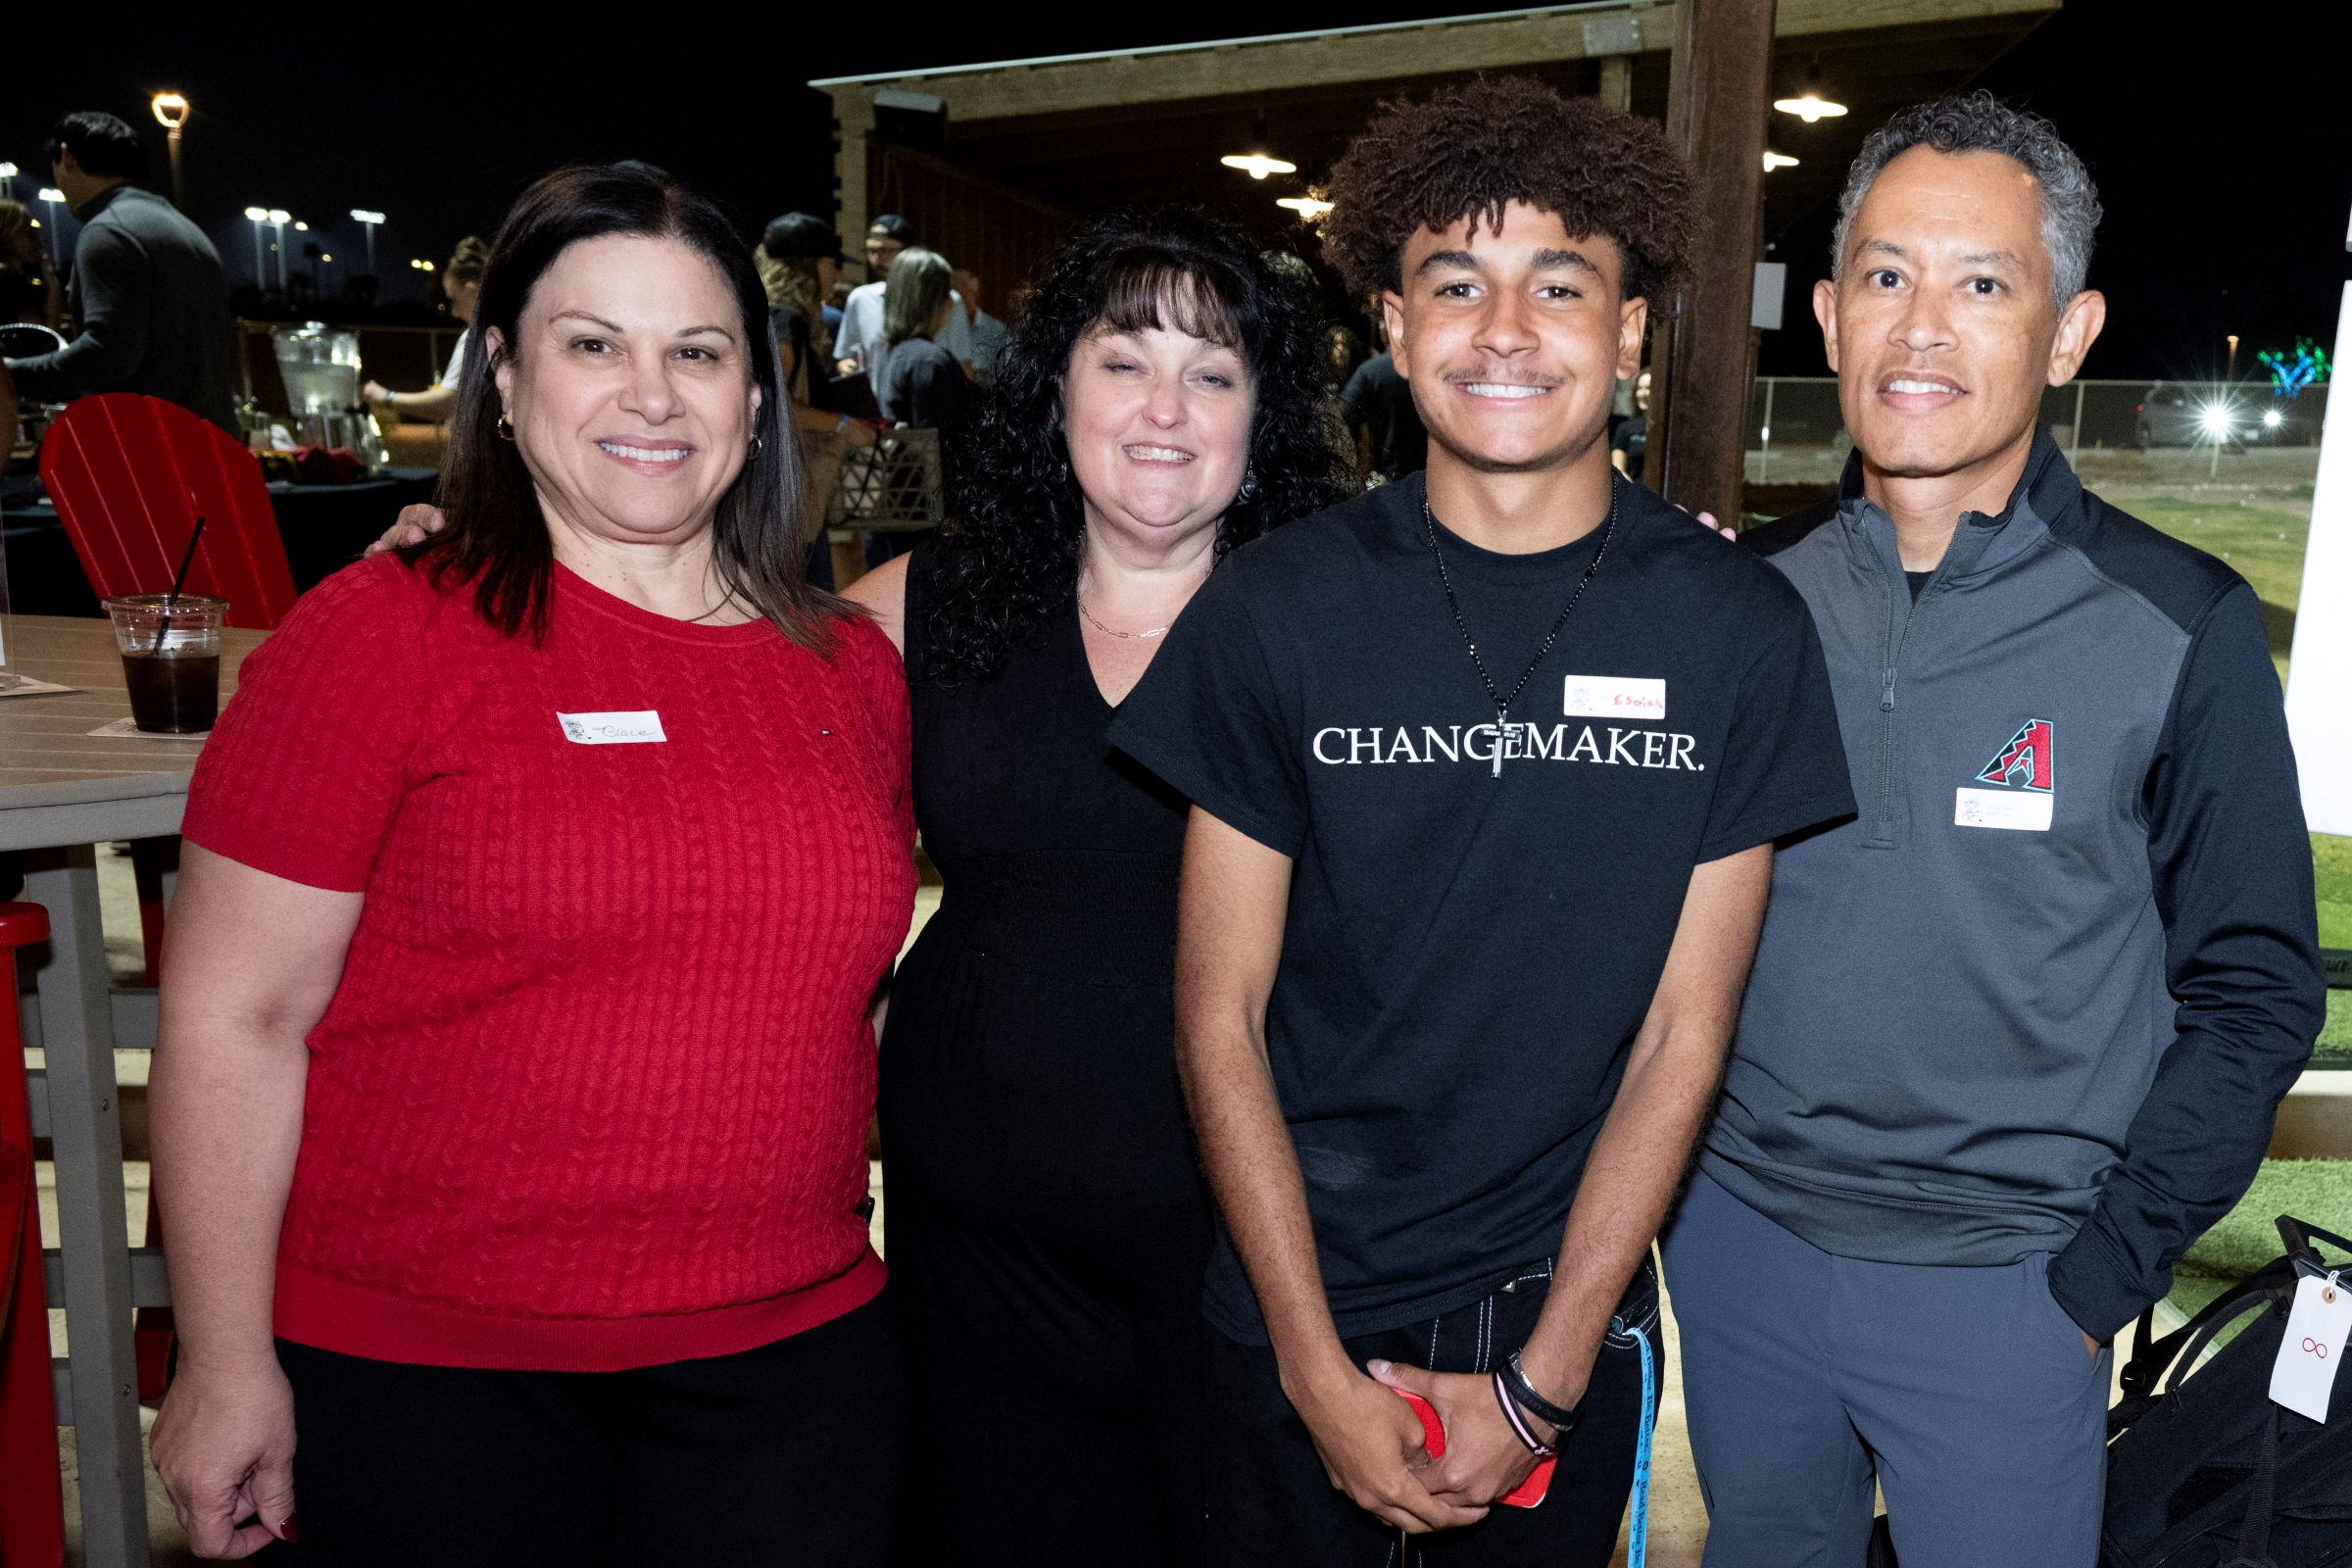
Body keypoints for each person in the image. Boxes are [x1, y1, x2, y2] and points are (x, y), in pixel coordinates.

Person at [1107, 77, 1855, 1567]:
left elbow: (1683, 1034)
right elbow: (1217, 1011)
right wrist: (1309, 1363)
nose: (1505, 331)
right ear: (1394, 327)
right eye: (1456, 284)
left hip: (1555, 1319)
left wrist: (1547, 1382)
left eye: (1559, 287)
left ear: (1630, 334)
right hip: (1292, 1300)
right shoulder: (1275, 607)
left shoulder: (1737, 630)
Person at [146, 162, 914, 1566]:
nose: (652, 395)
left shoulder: (849, 670)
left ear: (756, 394)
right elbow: (231, 1018)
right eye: (594, 344)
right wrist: (221, 1358)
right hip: (430, 1377)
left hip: (790, 1365)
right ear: (502, 377)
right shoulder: (380, 636)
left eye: (698, 352)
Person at [1664, 92, 2325, 1568]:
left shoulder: (2179, 622)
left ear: (2068, 333)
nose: (1920, 329)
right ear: (1828, 316)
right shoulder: (1730, 603)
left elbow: (2258, 986)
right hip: (1742, 1252)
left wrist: (2100, 1274)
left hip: (2013, 1287)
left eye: (1981, 284)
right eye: (1886, 276)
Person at [845, 204, 1354, 1565]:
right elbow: (696, 677)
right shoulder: (922, 606)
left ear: (1262, 417)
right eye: (1124, 360)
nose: (1163, 410)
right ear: (1056, 386)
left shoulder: (1338, 628)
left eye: (1213, 373)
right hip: (974, 1250)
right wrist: (467, 577)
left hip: (1243, 1241)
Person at [2, 111, 235, 432]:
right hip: (210, 441)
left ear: (66, 156)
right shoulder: (183, 227)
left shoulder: (109, 231)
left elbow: (107, 356)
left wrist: (10, 373)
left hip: (151, 445)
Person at [361, 236, 487, 423]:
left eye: (452, 299)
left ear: (470, 290)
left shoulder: (478, 336)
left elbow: (447, 403)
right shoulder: (507, 328)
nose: (454, 312)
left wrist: (383, 396)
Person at [833, 214, 974, 374]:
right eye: (871, 250)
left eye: (885, 250)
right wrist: (845, 366)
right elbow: (844, 357)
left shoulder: (945, 299)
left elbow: (963, 365)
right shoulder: (860, 298)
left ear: (908, 252)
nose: (877, 258)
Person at [871, 246, 967, 433]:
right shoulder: (929, 360)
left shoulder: (885, 349)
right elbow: (936, 442)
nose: (951, 301)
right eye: (947, 291)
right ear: (932, 299)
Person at [1338, 308, 1427, 482]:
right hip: (1433, 480)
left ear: (1385, 332)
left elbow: (1341, 417)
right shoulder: (1436, 371)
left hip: (1390, 480)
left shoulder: (1370, 372)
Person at [0, 199, 64, 329]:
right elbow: (39, 336)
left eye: (35, 232)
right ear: (5, 235)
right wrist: (53, 290)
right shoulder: (10, 280)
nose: (37, 239)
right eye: (27, 233)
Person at [951, 265, 1008, 381]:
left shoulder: (997, 329)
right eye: (962, 294)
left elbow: (1004, 372)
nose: (966, 299)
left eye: (971, 293)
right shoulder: (943, 329)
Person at [1607, 368, 1648, 483]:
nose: (1643, 393)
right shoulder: (1625, 428)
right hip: (1634, 490)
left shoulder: (1665, 429)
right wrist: (1634, 490)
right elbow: (1618, 469)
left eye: (1648, 388)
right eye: (1640, 388)